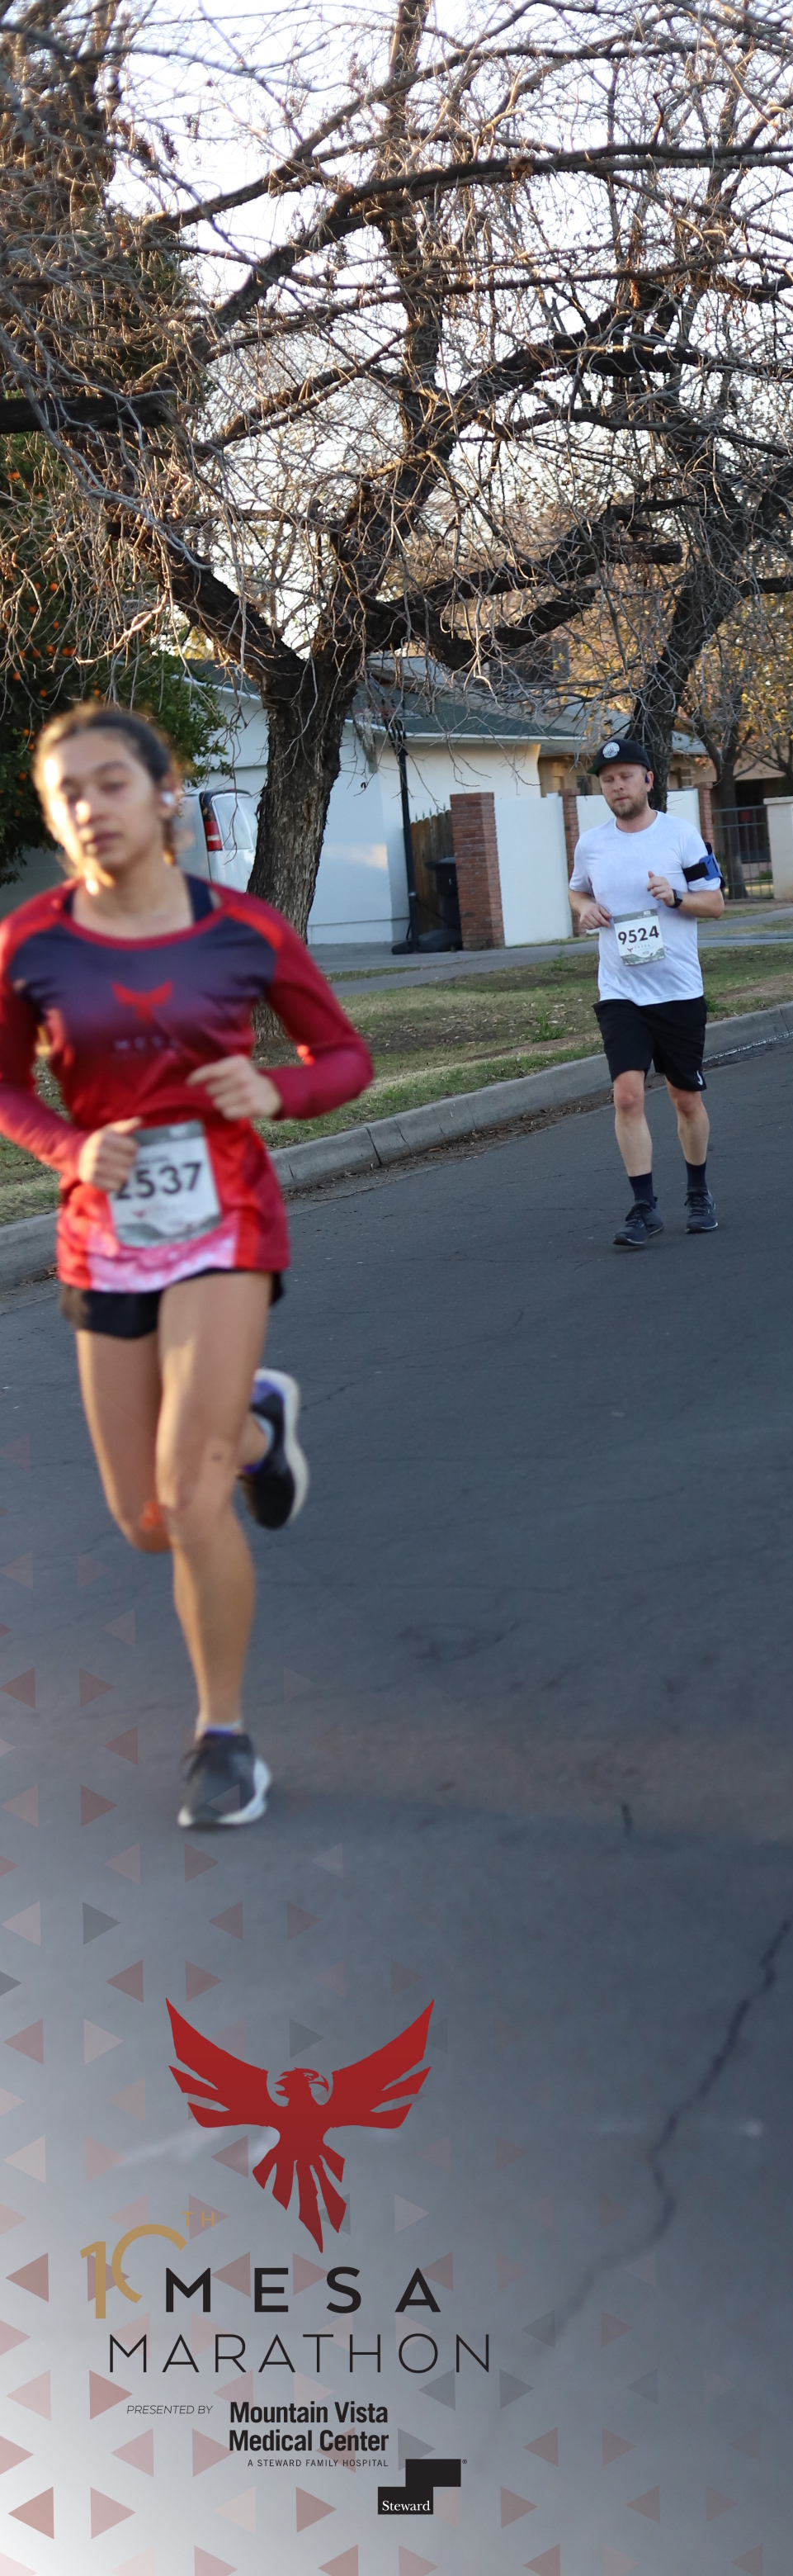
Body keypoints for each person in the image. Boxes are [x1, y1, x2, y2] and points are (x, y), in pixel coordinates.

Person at [0, 704, 373, 1828]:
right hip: (105, 1234)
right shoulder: (30, 944)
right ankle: (259, 1426)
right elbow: (6, 1086)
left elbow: (343, 1056)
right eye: (67, 793)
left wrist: (275, 1090)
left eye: (110, 783)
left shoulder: (244, 929)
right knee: (143, 1519)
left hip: (226, 1221)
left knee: (190, 1491)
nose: (89, 809)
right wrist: (70, 1148)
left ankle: (223, 1738)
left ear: (166, 793)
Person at [569, 736, 726, 1245]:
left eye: (626, 777)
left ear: (648, 780)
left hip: (678, 990)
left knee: (685, 1098)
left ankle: (698, 1193)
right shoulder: (592, 844)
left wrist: (676, 896)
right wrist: (584, 909)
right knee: (627, 1095)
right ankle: (644, 1207)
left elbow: (715, 903)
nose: (618, 786)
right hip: (621, 991)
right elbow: (577, 889)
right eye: (608, 780)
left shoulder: (682, 836)